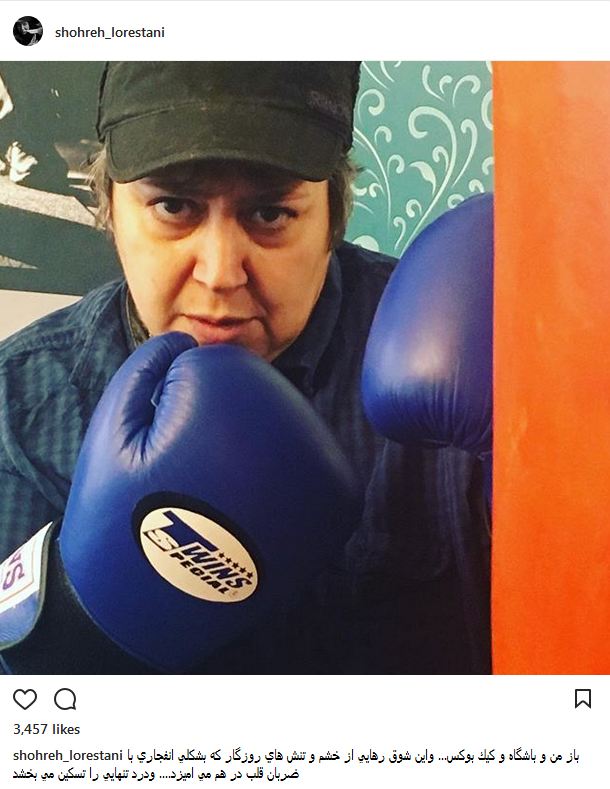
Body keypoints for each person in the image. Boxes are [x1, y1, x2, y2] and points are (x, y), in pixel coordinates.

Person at [0, 62, 490, 674]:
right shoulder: (21, 404)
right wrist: (73, 637)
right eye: (173, 206)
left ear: (333, 219)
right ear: (110, 212)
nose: (220, 273)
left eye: (270, 214)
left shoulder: (457, 353)